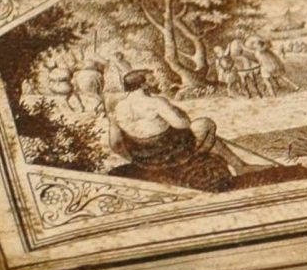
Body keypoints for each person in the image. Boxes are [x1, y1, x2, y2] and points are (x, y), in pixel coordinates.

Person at [105, 70, 260, 190]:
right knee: (206, 123)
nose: (157, 82)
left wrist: (133, 157)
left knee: (200, 134)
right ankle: (238, 166)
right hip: (170, 153)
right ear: (143, 85)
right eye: (152, 79)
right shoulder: (156, 102)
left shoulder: (118, 107)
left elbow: (115, 143)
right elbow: (182, 124)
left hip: (143, 158)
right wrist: (179, 112)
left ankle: (240, 166)